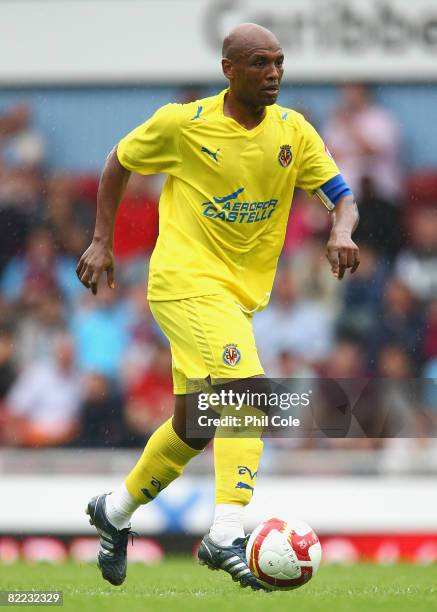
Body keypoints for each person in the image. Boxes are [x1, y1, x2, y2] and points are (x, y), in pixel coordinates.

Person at [76, 23, 360, 589]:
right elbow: (117, 160)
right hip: (184, 283)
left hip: (237, 296)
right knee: (247, 393)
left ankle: (115, 511)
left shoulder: (293, 131)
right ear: (229, 70)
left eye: (279, 62)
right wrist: (102, 239)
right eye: (259, 63)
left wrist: (341, 230)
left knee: (195, 426)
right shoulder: (184, 124)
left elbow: (341, 195)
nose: (273, 72)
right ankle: (227, 531)